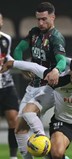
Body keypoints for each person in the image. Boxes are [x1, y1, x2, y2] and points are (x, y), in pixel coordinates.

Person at [12, 2, 67, 159]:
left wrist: (56, 70)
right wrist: (23, 67)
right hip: (32, 87)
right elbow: (17, 50)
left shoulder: (56, 38)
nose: (41, 23)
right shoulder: (34, 33)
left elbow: (62, 62)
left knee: (28, 114)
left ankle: (43, 141)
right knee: (19, 130)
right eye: (38, 19)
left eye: (44, 19)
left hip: (47, 88)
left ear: (53, 17)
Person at [0, 13, 19, 159]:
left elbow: (7, 57)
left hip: (6, 85)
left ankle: (13, 157)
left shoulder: (6, 39)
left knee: (14, 119)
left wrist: (21, 66)